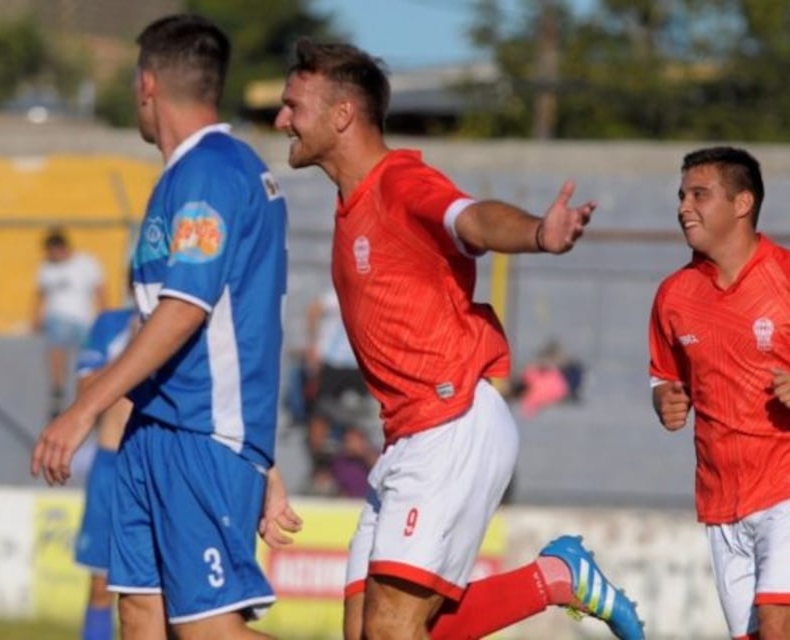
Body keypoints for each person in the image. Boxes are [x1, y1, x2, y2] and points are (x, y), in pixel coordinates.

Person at [274, 40, 644, 640]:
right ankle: (555, 578)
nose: (281, 118)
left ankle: (558, 577)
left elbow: (470, 218)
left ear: (343, 114)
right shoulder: (352, 209)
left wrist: (537, 233)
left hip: (450, 425)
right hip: (407, 438)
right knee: (369, 632)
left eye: (294, 105)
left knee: (392, 629)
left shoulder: (399, 182)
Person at [32, 14, 301, 640]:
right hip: (154, 432)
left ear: (146, 85)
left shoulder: (213, 172)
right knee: (140, 618)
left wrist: (82, 410)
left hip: (201, 433)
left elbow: (185, 312)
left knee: (208, 634)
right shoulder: (186, 176)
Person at [649, 146, 790, 640]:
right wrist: (663, 398)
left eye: (700, 195)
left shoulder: (785, 279)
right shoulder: (674, 295)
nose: (684, 206)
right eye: (682, 195)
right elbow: (663, 376)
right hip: (721, 503)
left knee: (779, 625)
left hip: (784, 490)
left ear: (742, 203)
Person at [73, 305, 139, 640]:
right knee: (101, 583)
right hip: (110, 464)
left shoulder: (184, 317)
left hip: (158, 466)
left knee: (159, 592)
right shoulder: (112, 325)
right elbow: (85, 390)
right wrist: (137, 350)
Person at [32, 227, 106, 418]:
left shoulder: (85, 263)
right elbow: (40, 295)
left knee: (88, 360)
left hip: (83, 321)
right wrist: (35, 318)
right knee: (56, 341)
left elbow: (100, 290)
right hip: (58, 319)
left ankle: (87, 394)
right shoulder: (46, 267)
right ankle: (58, 389)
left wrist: (104, 314)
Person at [304, 288, 371, 461]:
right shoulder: (342, 291)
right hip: (333, 360)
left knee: (360, 409)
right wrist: (313, 345)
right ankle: (317, 451)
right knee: (321, 407)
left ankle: (356, 451)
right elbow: (314, 309)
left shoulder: (372, 294)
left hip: (358, 362)